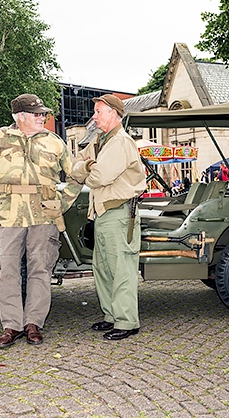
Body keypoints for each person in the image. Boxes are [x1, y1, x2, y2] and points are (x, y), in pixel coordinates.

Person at [0, 93, 83, 349]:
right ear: (20, 117)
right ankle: (11, 325)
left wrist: (62, 203)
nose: (42, 117)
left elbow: (76, 174)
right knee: (8, 270)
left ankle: (34, 323)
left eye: (43, 113)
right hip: (9, 213)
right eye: (37, 114)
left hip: (44, 214)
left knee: (40, 269)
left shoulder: (54, 142)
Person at [69, 94, 146, 341]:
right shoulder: (102, 141)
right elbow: (75, 165)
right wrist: (87, 166)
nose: (94, 116)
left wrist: (87, 168)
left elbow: (99, 177)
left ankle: (127, 322)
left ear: (113, 113)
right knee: (103, 269)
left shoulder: (120, 142)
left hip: (119, 213)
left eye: (99, 111)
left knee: (121, 268)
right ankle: (112, 316)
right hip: (104, 213)